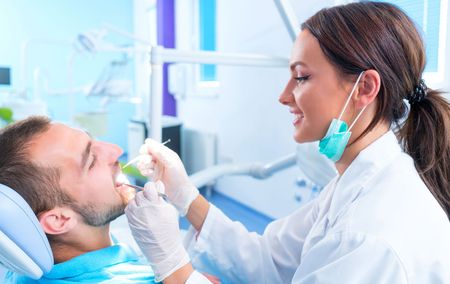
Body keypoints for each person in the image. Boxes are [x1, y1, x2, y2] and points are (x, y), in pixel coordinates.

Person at [124, 2, 450, 283]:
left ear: (365, 88)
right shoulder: (356, 182)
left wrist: (173, 266)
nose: (283, 96)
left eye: (302, 77)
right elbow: (267, 260)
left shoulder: (368, 235)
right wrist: (185, 196)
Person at [0, 116, 156, 283]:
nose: (115, 150)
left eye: (93, 140)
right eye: (91, 161)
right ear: (59, 220)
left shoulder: (21, 271)